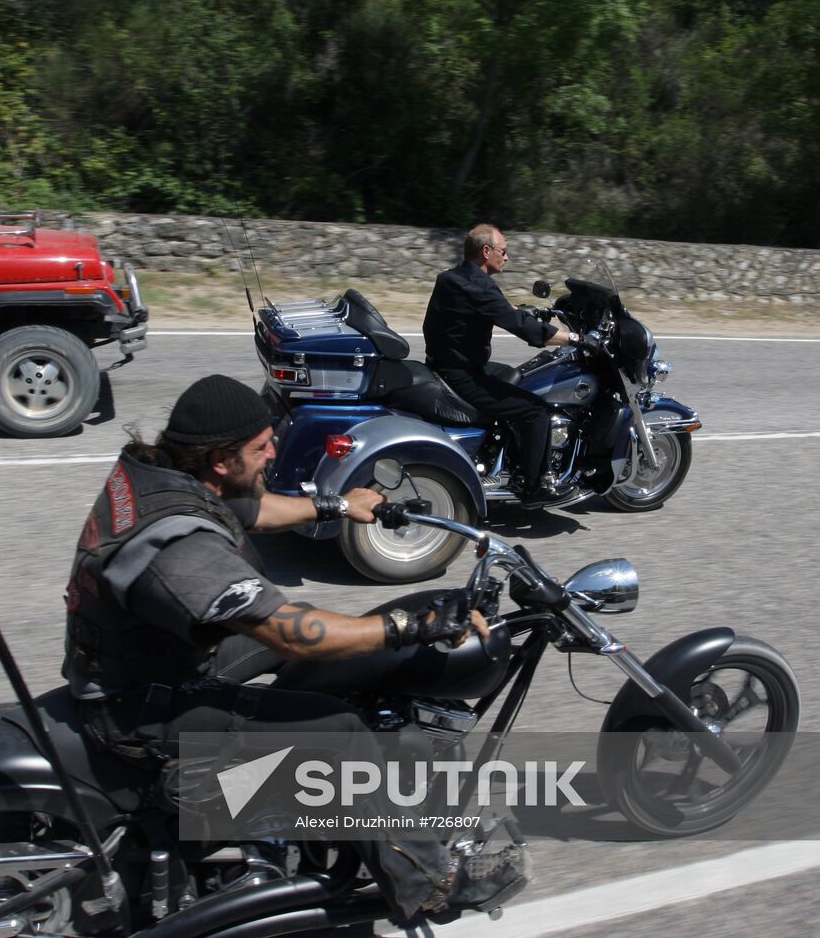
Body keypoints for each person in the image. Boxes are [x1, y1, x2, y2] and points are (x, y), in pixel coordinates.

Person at [63, 373, 525, 923]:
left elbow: (251, 512)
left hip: (156, 653)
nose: (273, 452)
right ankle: (431, 883)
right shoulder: (180, 550)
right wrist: (411, 625)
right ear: (219, 459)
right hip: (140, 706)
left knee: (340, 657)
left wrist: (336, 506)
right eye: (260, 448)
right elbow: (289, 630)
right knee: (345, 733)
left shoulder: (162, 478)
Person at [423, 224, 581, 506]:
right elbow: (525, 329)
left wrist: (522, 312)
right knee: (537, 411)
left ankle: (511, 451)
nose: (506, 257)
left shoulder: (452, 278)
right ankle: (535, 488)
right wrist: (574, 338)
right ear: (486, 251)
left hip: (444, 364)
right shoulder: (480, 287)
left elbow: (497, 311)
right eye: (503, 251)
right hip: (463, 376)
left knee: (515, 376)